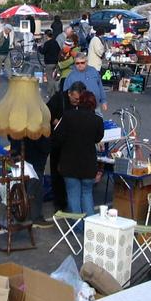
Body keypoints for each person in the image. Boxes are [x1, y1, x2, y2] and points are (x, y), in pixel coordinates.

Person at [52, 91, 104, 226]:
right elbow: (98, 138)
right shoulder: (97, 120)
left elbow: (58, 137)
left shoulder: (68, 116)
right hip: (88, 164)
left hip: (69, 163)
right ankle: (91, 226)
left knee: (73, 195)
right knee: (87, 194)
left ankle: (77, 227)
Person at [47, 81, 86, 213]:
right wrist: (55, 121)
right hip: (58, 141)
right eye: (75, 99)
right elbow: (46, 112)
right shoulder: (58, 99)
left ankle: (72, 199)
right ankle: (59, 202)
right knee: (57, 171)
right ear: (69, 93)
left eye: (79, 100)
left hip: (73, 141)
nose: (77, 102)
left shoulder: (80, 102)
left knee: (71, 172)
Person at [38, 29, 61, 98]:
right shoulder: (55, 42)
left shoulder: (47, 43)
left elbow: (43, 51)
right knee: (54, 77)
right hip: (56, 62)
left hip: (49, 63)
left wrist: (39, 47)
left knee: (49, 78)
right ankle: (55, 91)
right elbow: (59, 51)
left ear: (46, 35)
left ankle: (51, 93)